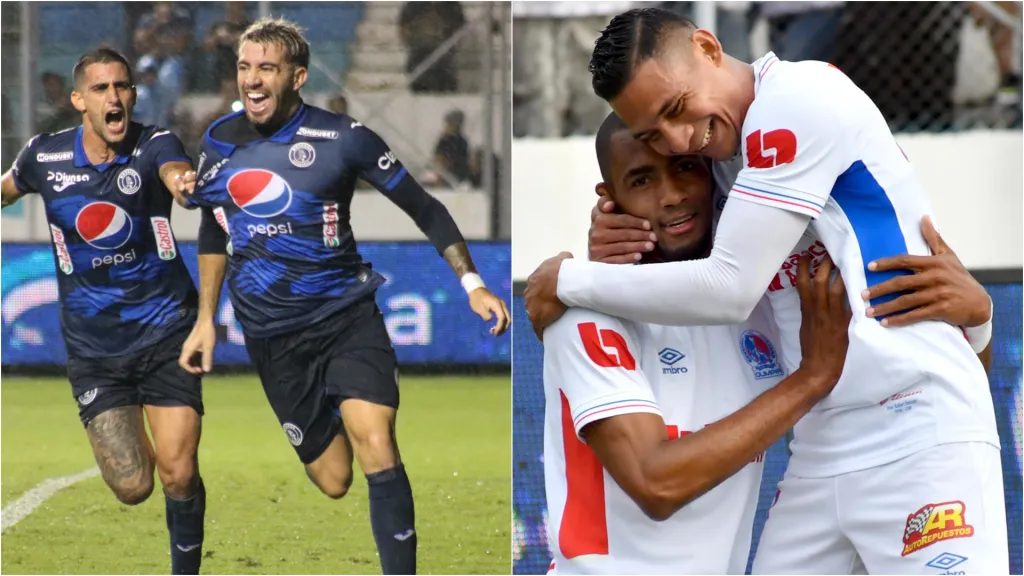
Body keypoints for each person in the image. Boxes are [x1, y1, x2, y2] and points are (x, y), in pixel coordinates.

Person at [525, 8, 1006, 574]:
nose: (682, 139)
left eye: (677, 108)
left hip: (917, 432)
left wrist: (565, 279)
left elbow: (729, 287)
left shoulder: (800, 99)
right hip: (818, 448)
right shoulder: (722, 158)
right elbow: (687, 246)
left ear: (707, 47)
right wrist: (614, 238)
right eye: (656, 134)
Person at [175, 19, 510, 575]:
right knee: (333, 479)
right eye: (244, 67)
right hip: (271, 336)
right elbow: (213, 225)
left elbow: (425, 207)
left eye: (266, 68)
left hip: (345, 315)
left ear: (298, 77)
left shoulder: (344, 137)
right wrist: (206, 318)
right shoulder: (219, 141)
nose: (252, 80)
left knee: (375, 438)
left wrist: (471, 283)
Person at [545, 112, 852, 574]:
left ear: (715, 177)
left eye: (686, 167)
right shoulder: (586, 312)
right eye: (642, 180)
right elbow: (656, 483)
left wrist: (977, 321)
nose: (672, 196)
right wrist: (812, 378)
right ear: (610, 200)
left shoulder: (759, 303)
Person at [0, 48, 207, 575]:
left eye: (123, 87)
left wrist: (185, 186)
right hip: (96, 349)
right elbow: (5, 189)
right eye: (101, 89)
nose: (115, 98)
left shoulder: (155, 143)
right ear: (78, 100)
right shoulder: (43, 157)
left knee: (179, 473)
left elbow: (177, 173)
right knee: (134, 487)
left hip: (167, 331)